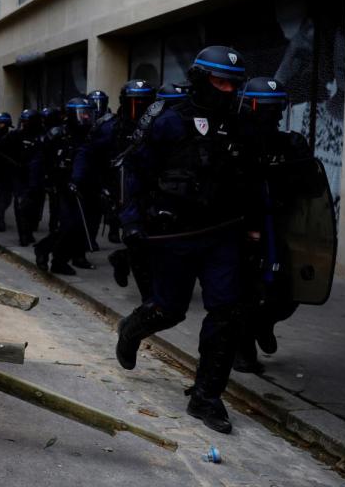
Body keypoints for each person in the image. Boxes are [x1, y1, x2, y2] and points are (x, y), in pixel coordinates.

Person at [115, 46, 255, 434]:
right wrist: (130, 222)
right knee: (169, 309)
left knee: (226, 313)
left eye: (233, 83)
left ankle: (207, 397)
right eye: (219, 81)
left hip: (221, 234)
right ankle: (131, 328)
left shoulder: (240, 124)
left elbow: (252, 178)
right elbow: (134, 171)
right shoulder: (167, 120)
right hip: (174, 233)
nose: (227, 89)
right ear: (200, 78)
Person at [233, 77, 312, 373]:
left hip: (278, 229)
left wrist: (297, 159)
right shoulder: (234, 142)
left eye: (277, 108)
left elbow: (309, 189)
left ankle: (263, 323)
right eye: (265, 109)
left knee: (289, 293)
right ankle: (244, 350)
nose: (274, 115)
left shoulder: (287, 144)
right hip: (243, 229)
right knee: (243, 293)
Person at [98, 80, 157, 301]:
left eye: (143, 103)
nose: (138, 108)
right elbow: (91, 154)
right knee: (135, 238)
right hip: (120, 190)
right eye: (134, 103)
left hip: (148, 189)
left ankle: (122, 258)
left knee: (149, 239)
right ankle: (148, 296)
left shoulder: (158, 124)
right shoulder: (111, 127)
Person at [34, 98, 96, 274]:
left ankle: (59, 261)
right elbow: (40, 160)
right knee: (68, 225)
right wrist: (42, 184)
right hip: (61, 186)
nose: (85, 118)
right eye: (81, 114)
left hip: (82, 186)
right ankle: (44, 249)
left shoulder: (88, 135)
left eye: (87, 114)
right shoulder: (56, 134)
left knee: (76, 227)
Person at [14, 109, 44, 246]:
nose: (24, 124)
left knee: (34, 208)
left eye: (27, 122)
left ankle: (29, 232)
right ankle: (23, 235)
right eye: (23, 121)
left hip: (38, 179)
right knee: (21, 207)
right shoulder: (17, 136)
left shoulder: (43, 137)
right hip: (21, 177)